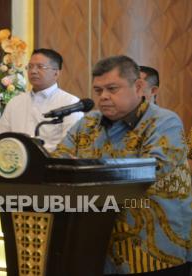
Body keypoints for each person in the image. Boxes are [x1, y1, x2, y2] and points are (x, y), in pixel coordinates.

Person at [52, 55, 192, 275]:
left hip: (153, 249)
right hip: (96, 246)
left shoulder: (164, 122)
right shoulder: (88, 122)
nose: (104, 97)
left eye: (112, 89)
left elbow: (150, 171)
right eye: (98, 91)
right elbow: (59, 162)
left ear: (138, 87)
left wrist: (85, 170)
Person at [0, 48, 83, 152]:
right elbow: (0, 138)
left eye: (40, 67)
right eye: (30, 67)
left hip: (52, 164)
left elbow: (71, 144)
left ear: (56, 73)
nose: (33, 71)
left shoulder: (70, 103)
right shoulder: (15, 102)